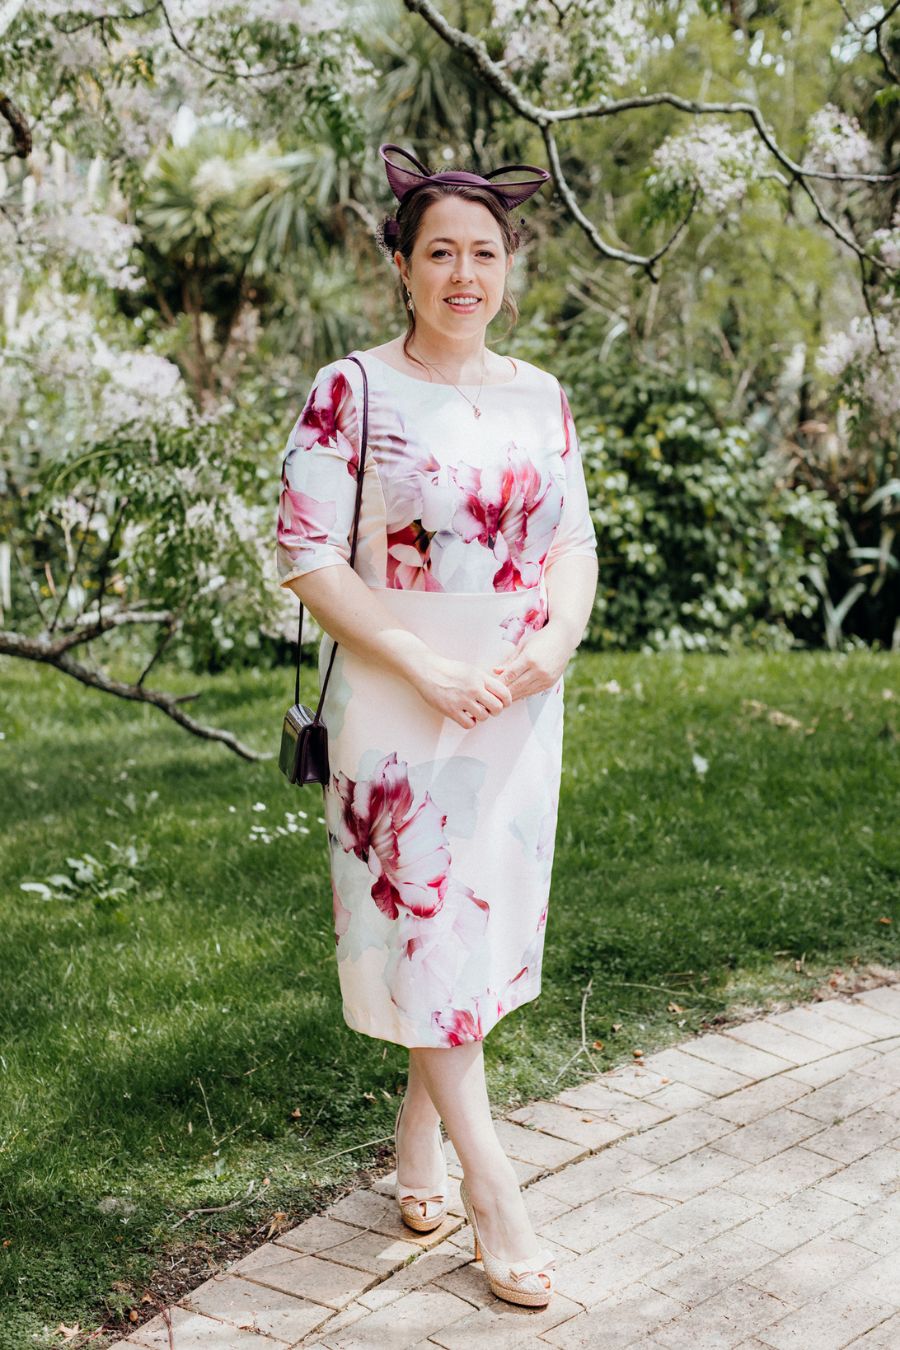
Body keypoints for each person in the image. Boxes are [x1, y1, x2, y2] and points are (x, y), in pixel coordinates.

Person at [275, 143, 599, 1307]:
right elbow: (308, 552)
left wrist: (547, 651)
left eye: (484, 253)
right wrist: (414, 654)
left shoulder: (539, 394)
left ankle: (418, 1136)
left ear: (509, 267)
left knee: (476, 932)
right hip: (397, 696)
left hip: (516, 700)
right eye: (440, 253)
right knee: (425, 929)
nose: (464, 273)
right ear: (403, 268)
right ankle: (495, 1187)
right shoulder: (350, 389)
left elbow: (571, 544)